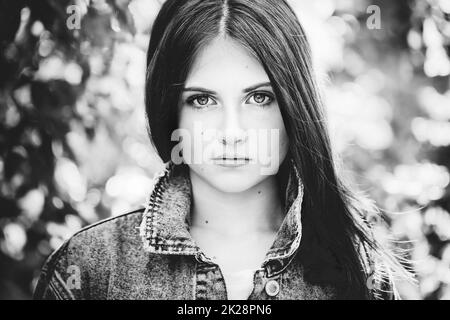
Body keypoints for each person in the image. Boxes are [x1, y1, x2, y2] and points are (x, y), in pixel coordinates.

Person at [34, 0, 412, 300]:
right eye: (202, 100)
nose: (232, 133)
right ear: (170, 111)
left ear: (295, 104)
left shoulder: (355, 273)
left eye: (260, 97)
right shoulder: (89, 272)